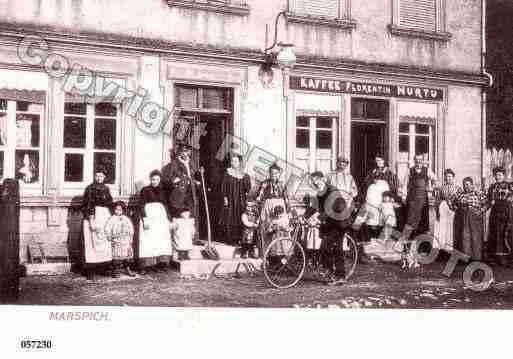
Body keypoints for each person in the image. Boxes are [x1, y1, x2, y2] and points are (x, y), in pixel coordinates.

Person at [310, 171, 351, 285]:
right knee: (325, 246)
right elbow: (314, 207)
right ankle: (329, 271)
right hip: (330, 222)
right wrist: (303, 217)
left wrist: (318, 219)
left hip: (340, 222)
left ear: (323, 179)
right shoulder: (320, 192)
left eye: (317, 181)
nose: (316, 183)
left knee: (334, 247)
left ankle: (340, 276)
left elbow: (330, 209)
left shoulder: (332, 190)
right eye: (314, 182)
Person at [137, 170, 173, 274]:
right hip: (149, 217)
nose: (155, 181)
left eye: (157, 179)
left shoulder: (163, 190)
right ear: (150, 179)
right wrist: (144, 219)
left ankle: (160, 264)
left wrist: (169, 219)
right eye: (153, 179)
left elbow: (166, 205)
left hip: (161, 218)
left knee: (160, 240)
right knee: (148, 240)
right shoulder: (145, 190)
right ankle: (145, 266)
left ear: (160, 180)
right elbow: (141, 205)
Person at [81, 168, 113, 280]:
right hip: (93, 216)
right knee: (91, 244)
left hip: (104, 217)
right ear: (94, 176)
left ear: (104, 177)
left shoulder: (106, 189)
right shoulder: (90, 188)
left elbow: (110, 203)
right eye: (97, 176)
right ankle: (90, 271)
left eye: (101, 176)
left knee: (104, 243)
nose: (99, 178)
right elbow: (88, 204)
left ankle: (103, 268)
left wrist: (111, 218)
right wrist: (91, 220)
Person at [256, 163, 290, 256]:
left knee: (280, 228)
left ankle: (280, 253)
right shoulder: (265, 183)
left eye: (276, 173)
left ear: (279, 174)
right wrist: (259, 201)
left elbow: (286, 198)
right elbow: (259, 196)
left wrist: (288, 210)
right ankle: (267, 253)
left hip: (280, 207)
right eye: (272, 173)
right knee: (268, 228)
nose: (274, 175)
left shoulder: (282, 184)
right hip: (268, 207)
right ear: (269, 173)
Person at [161, 144, 200, 221]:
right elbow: (168, 178)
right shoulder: (174, 164)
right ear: (179, 152)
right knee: (179, 219)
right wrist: (175, 181)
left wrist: (197, 182)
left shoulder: (192, 164)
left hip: (190, 195)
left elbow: (195, 176)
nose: (185, 153)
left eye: (187, 151)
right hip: (179, 196)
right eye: (183, 151)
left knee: (190, 219)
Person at [219, 154, 252, 246]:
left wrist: (245, 178)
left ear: (239, 163)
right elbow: (223, 187)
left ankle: (239, 239)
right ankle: (230, 239)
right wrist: (225, 198)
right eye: (232, 161)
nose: (234, 163)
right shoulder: (227, 173)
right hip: (230, 199)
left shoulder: (244, 175)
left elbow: (248, 188)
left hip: (240, 200)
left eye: (236, 161)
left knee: (240, 218)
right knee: (230, 218)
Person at [403, 154, 436, 238]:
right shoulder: (409, 170)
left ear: (422, 160)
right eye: (417, 160)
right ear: (414, 160)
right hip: (412, 199)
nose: (418, 161)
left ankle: (421, 244)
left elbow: (435, 180)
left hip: (423, 200)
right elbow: (405, 184)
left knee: (423, 221)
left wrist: (431, 188)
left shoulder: (427, 170)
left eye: (420, 160)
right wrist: (404, 196)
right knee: (410, 221)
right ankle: (409, 242)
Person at [453, 177, 487, 261]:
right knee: (465, 236)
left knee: (476, 237)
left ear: (472, 185)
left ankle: (476, 257)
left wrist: (481, 211)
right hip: (464, 217)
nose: (466, 187)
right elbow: (454, 203)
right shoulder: (461, 194)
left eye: (467, 184)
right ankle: (466, 257)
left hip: (476, 217)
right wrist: (458, 209)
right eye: (464, 185)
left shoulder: (478, 193)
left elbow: (486, 203)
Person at [486, 166, 513, 266]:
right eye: (496, 175)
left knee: (506, 233)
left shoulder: (509, 186)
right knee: (495, 233)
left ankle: (508, 259)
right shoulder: (492, 187)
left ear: (504, 175)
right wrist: (482, 210)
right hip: (495, 213)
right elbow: (488, 201)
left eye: (500, 175)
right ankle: (496, 259)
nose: (498, 177)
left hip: (507, 212)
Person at [104, 201, 135, 278]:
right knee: (117, 257)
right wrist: (109, 235)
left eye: (120, 210)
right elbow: (107, 228)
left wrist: (130, 236)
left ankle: (127, 269)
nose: (118, 211)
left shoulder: (126, 218)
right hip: (117, 240)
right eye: (116, 209)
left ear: (123, 210)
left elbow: (131, 228)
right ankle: (116, 270)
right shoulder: (112, 219)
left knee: (127, 257)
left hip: (126, 240)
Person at [435, 169, 462, 251]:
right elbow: (438, 200)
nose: (448, 178)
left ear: (453, 177)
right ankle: (443, 248)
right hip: (443, 211)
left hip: (453, 211)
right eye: (446, 177)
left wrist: (455, 206)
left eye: (450, 176)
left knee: (451, 229)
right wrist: (438, 212)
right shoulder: (441, 188)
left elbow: (460, 200)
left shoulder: (458, 188)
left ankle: (452, 248)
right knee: (443, 229)